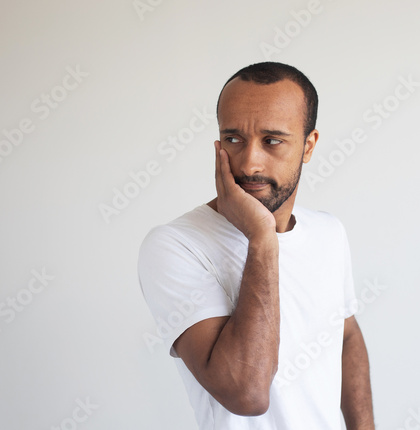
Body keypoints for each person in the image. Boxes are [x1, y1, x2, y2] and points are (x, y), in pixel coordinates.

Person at [138, 62, 374, 429]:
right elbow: (246, 394)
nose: (249, 163)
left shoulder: (329, 232)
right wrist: (262, 238)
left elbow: (346, 334)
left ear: (308, 146)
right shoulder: (175, 245)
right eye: (233, 139)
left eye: (272, 140)